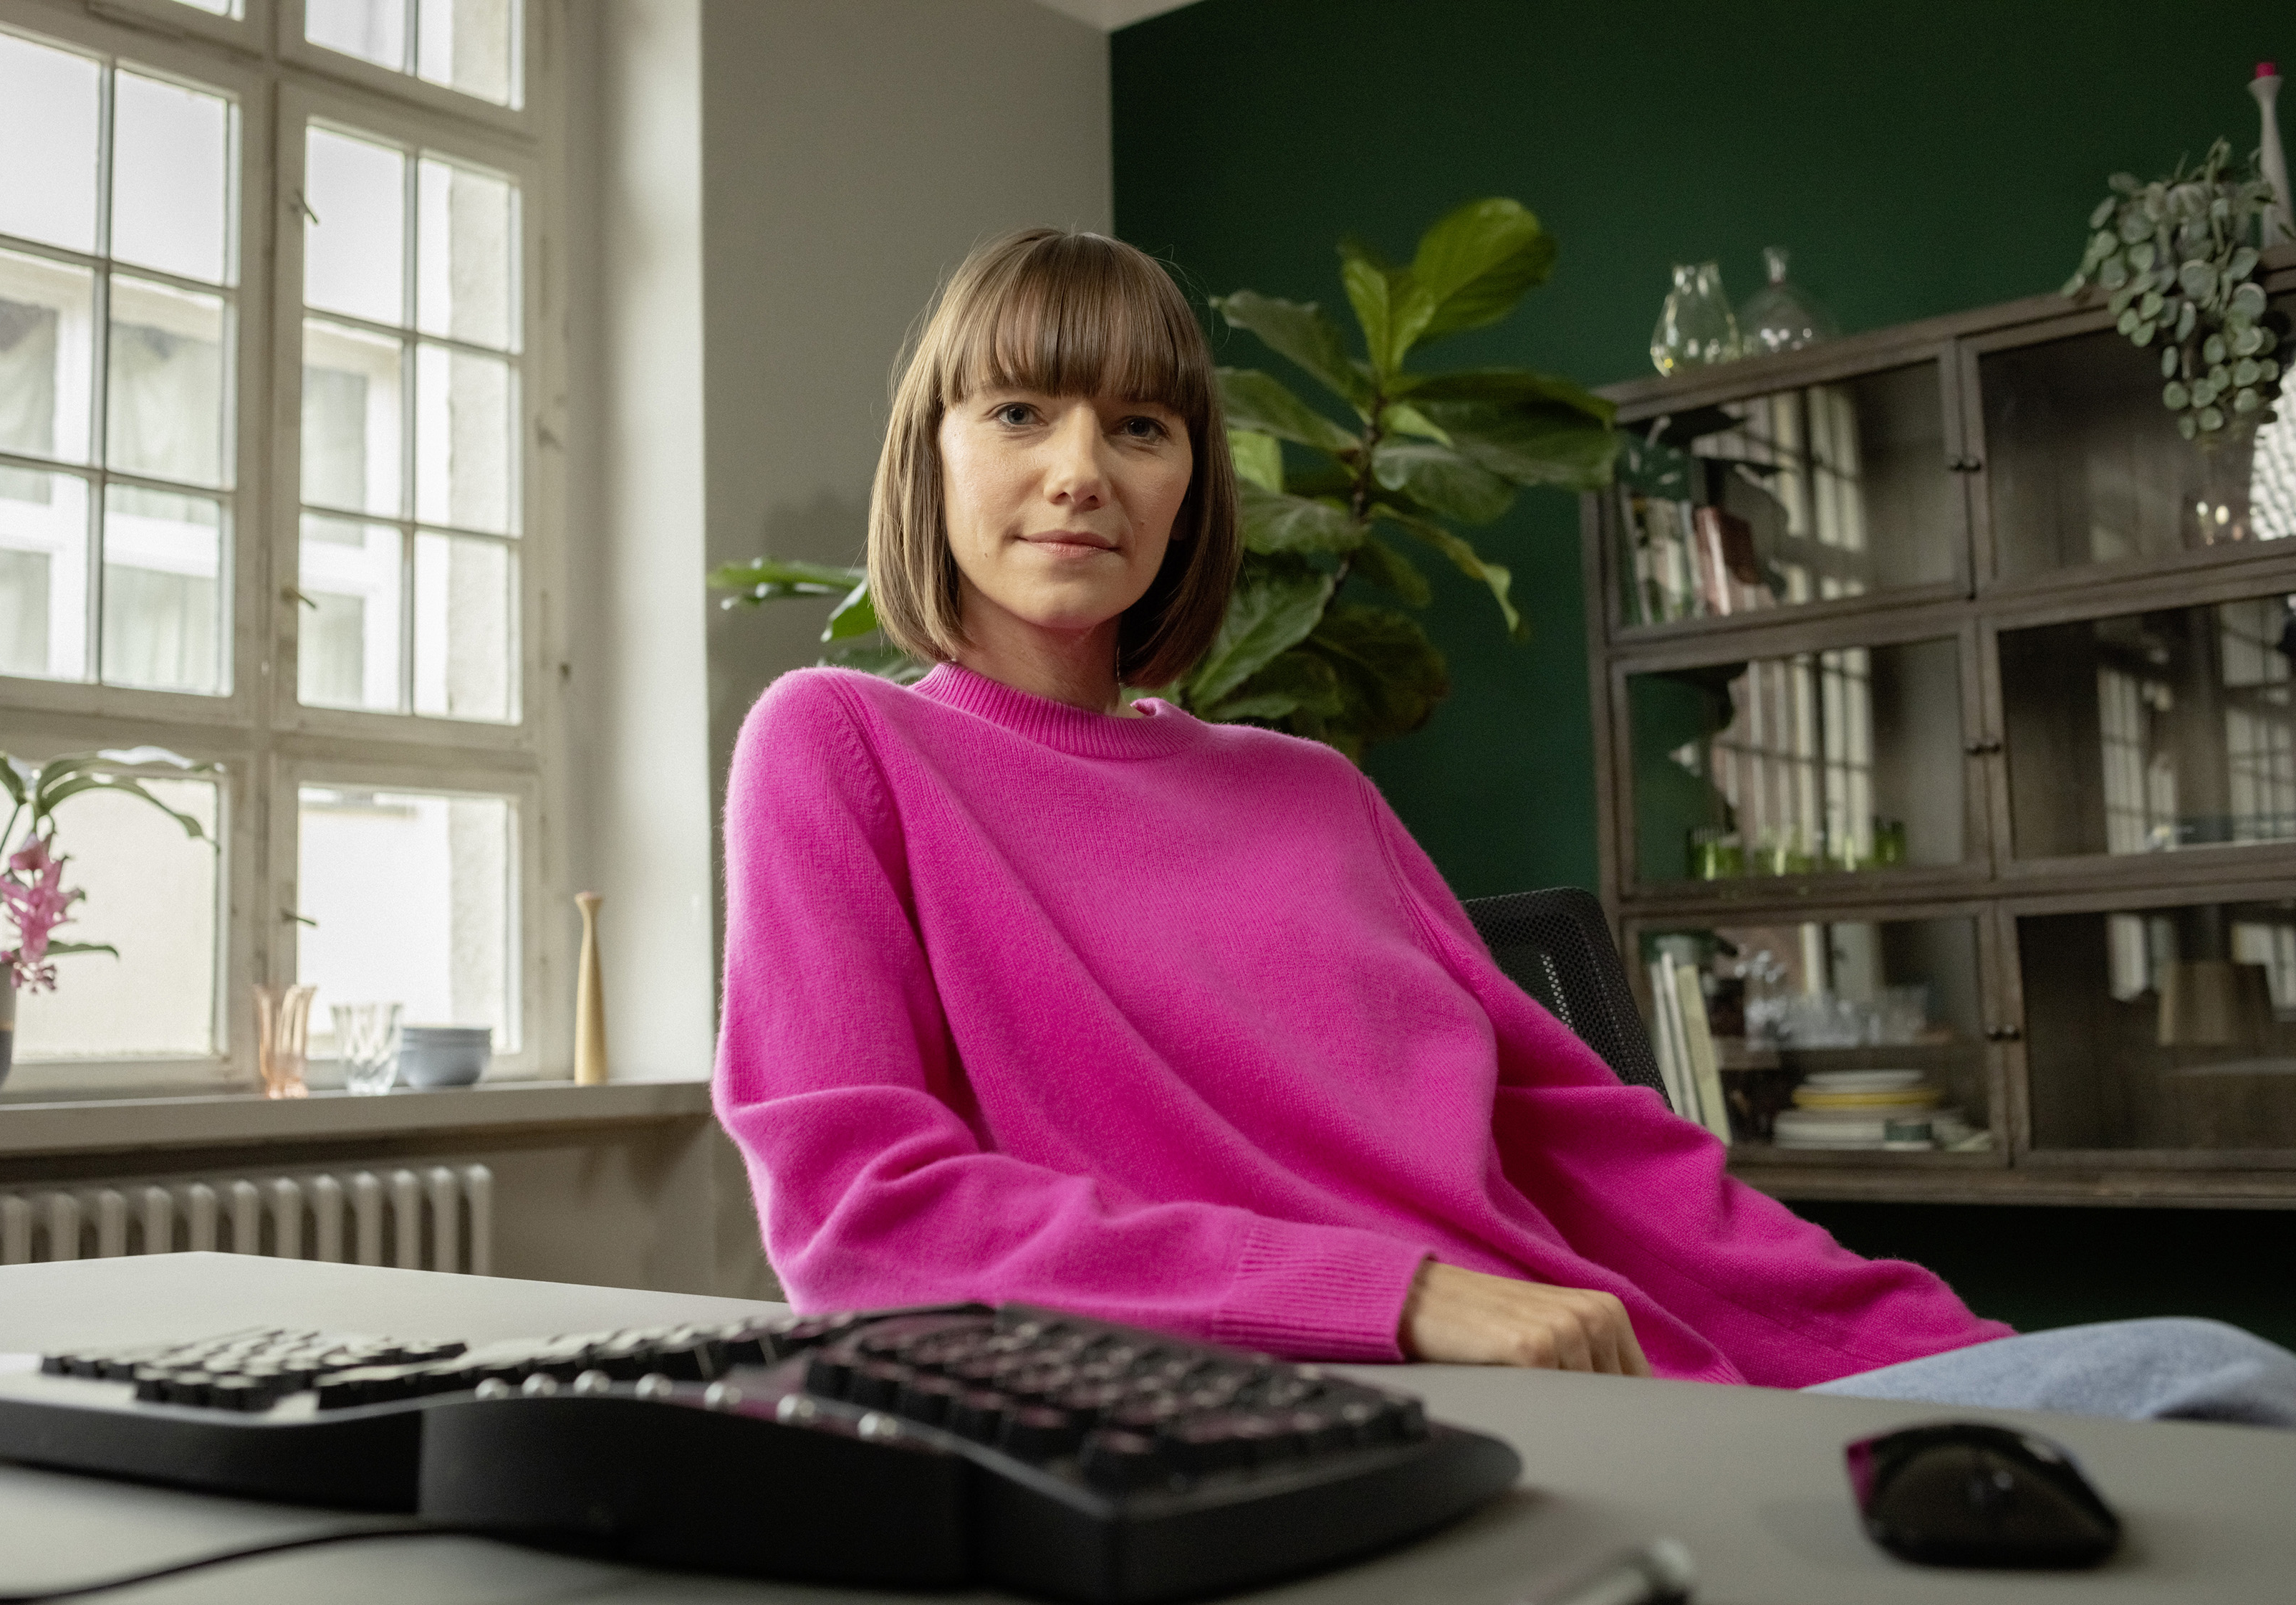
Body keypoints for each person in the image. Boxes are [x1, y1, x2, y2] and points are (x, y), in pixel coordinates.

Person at [715, 226, 2296, 1424]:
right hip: (1317, 1417)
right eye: (1017, 412)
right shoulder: (844, 744)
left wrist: (1931, 1353)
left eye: (1140, 428)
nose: (1080, 472)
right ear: (933, 448)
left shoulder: (1307, 788)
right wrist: (1396, 1298)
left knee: (2214, 1392)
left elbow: (1591, 1144)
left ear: (1193, 479)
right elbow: (868, 1221)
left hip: (1624, 1391)